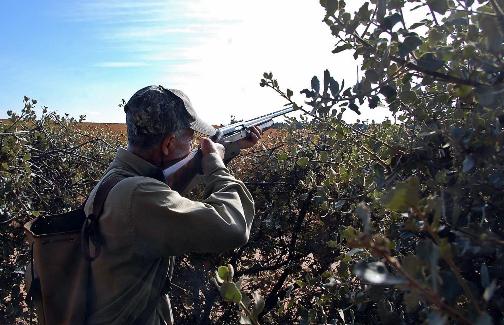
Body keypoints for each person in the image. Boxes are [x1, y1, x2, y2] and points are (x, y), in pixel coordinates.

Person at [83, 85, 260, 324]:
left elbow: (168, 186)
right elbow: (234, 226)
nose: (194, 146)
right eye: (191, 139)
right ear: (167, 144)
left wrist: (232, 147)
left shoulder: (120, 178)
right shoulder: (138, 195)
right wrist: (216, 167)